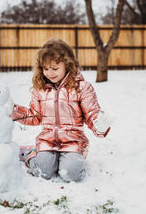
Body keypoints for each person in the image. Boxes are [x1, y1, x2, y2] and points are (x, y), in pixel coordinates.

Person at [11, 39, 110, 182]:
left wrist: (99, 125)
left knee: (71, 174)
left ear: (67, 65)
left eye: (55, 68)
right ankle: (31, 153)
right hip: (48, 140)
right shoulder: (40, 89)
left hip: (73, 142)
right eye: (45, 68)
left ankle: (67, 161)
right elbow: (34, 116)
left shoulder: (82, 88)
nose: (50, 73)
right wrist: (13, 110)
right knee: (43, 172)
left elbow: (92, 114)